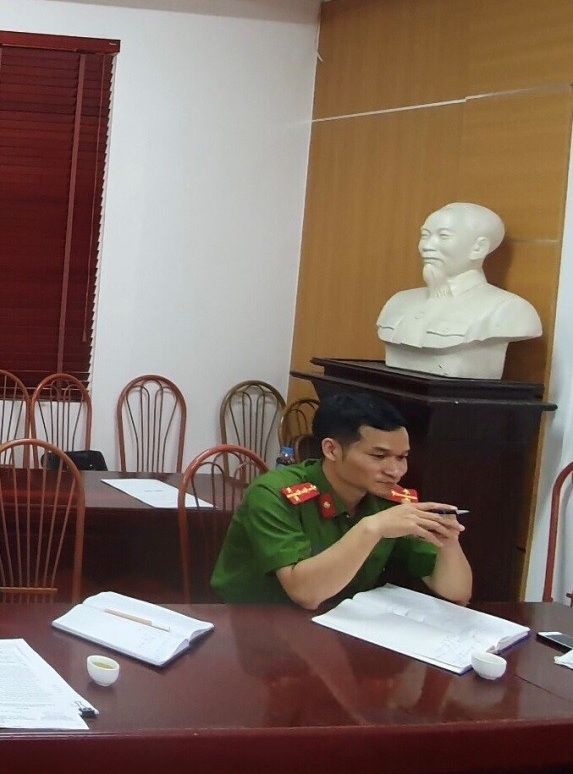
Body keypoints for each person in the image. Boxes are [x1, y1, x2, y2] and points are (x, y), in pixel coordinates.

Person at [210, 392, 472, 609]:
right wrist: (372, 528)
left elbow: (457, 594)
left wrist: (448, 541)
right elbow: (305, 594)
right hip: (253, 626)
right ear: (331, 449)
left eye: (402, 457)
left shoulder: (389, 499)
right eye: (379, 456)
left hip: (340, 625)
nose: (395, 471)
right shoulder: (273, 493)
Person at [376, 201, 541, 378]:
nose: (427, 246)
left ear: (478, 248)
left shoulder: (509, 309)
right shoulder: (399, 301)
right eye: (425, 235)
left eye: (443, 236)